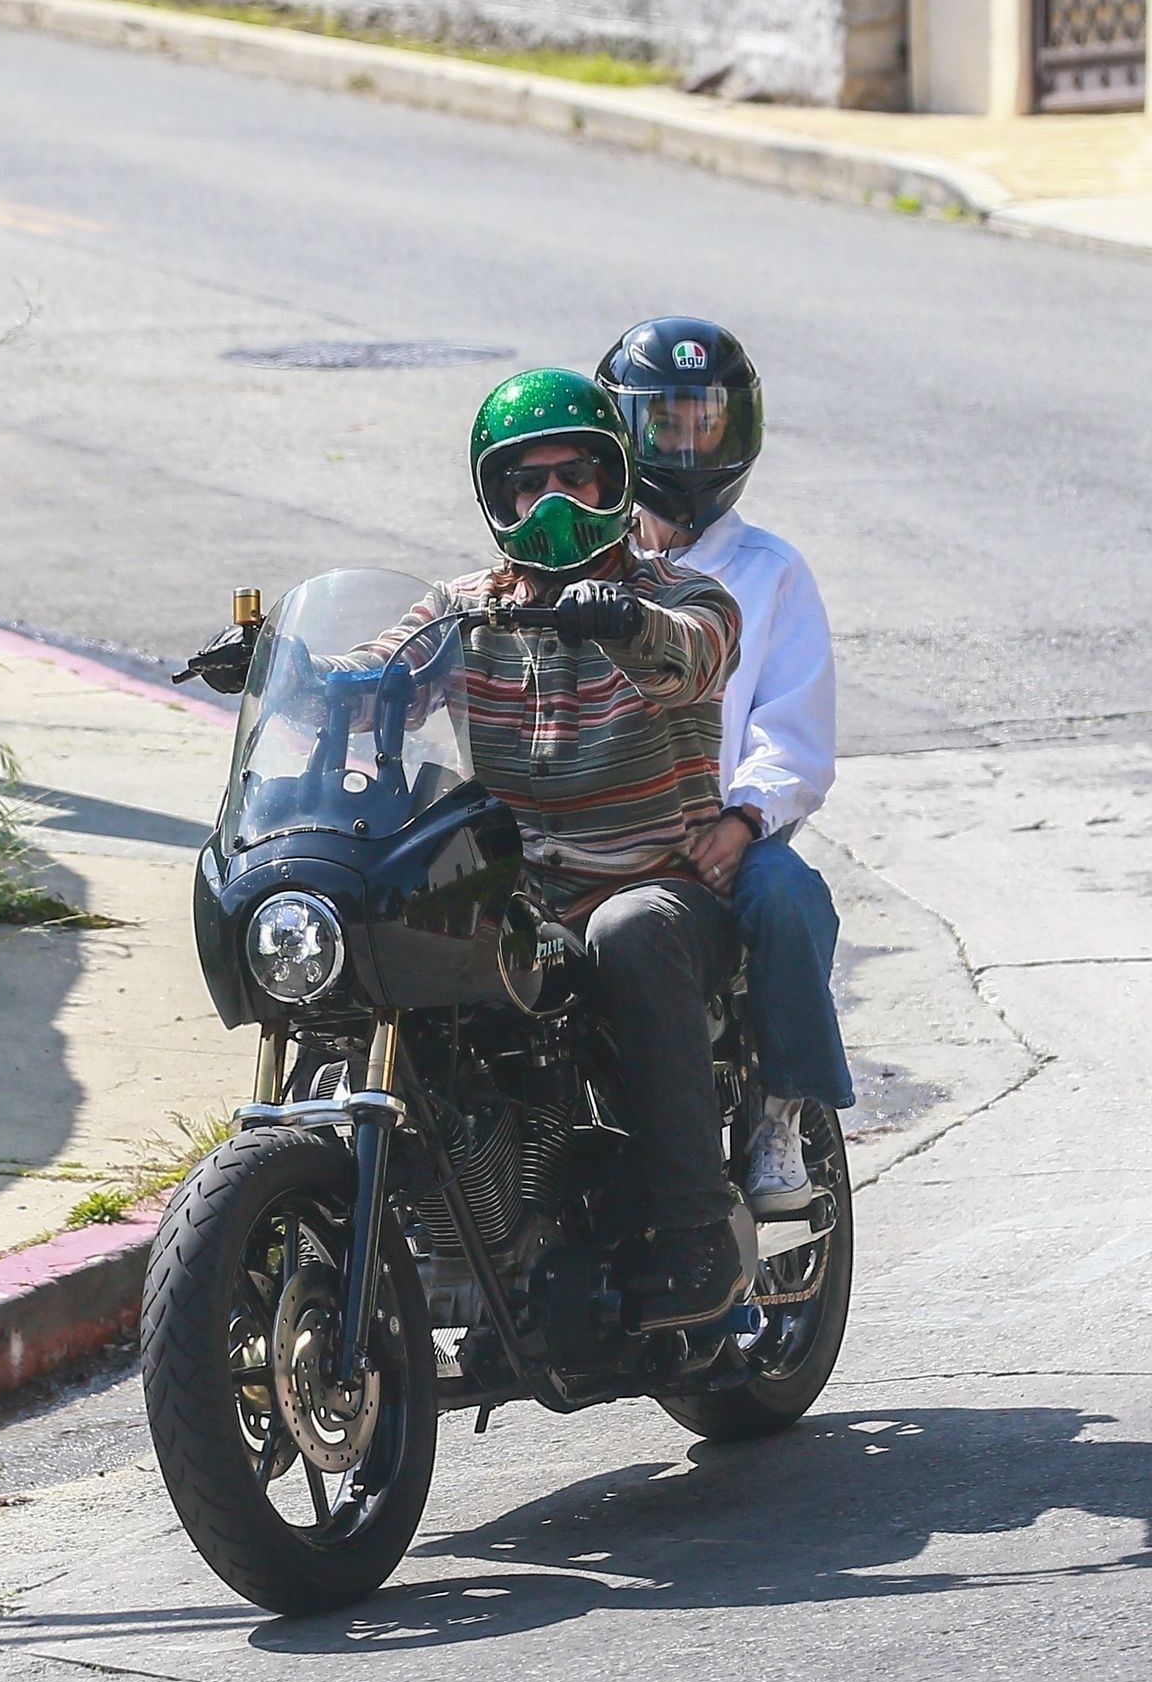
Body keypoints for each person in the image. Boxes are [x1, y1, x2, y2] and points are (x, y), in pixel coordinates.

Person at [181, 367, 751, 1331]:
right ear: (498, 500)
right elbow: (375, 672)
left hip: (651, 885)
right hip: (508, 897)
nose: (553, 504)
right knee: (368, 928)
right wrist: (295, 669)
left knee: (633, 930)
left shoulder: (680, 594)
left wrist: (619, 621)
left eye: (576, 477)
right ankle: (423, 1194)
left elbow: (693, 654)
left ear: (618, 482)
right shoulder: (465, 608)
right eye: (528, 485)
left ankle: (695, 1231)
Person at [597, 316, 854, 1215]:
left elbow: (794, 729)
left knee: (789, 899)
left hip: (726, 837)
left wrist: (744, 819)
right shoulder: (584, 562)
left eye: (705, 421)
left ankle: (780, 1109)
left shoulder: (772, 572)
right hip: (598, 824)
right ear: (623, 431)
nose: (688, 441)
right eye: (667, 422)